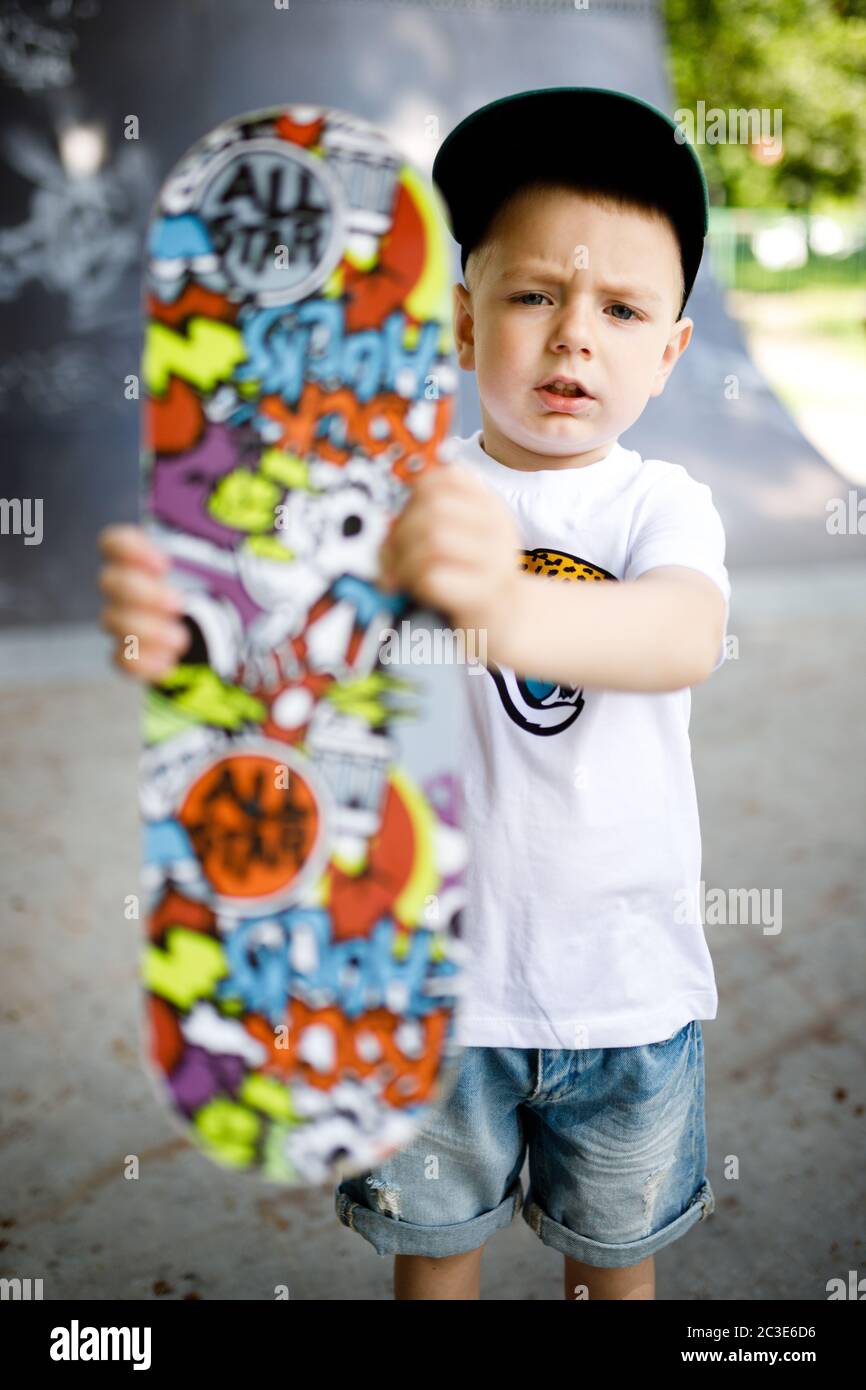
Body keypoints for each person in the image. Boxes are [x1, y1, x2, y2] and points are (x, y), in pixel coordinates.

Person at [99, 87, 730, 1301]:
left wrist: (502, 603)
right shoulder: (390, 497)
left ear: (669, 348)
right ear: (457, 318)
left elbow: (679, 633)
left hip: (626, 988)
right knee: (433, 1262)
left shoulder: (661, 504)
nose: (571, 338)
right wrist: (175, 636)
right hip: (427, 981)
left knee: (615, 1268)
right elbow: (277, 643)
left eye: (619, 308)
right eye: (534, 294)